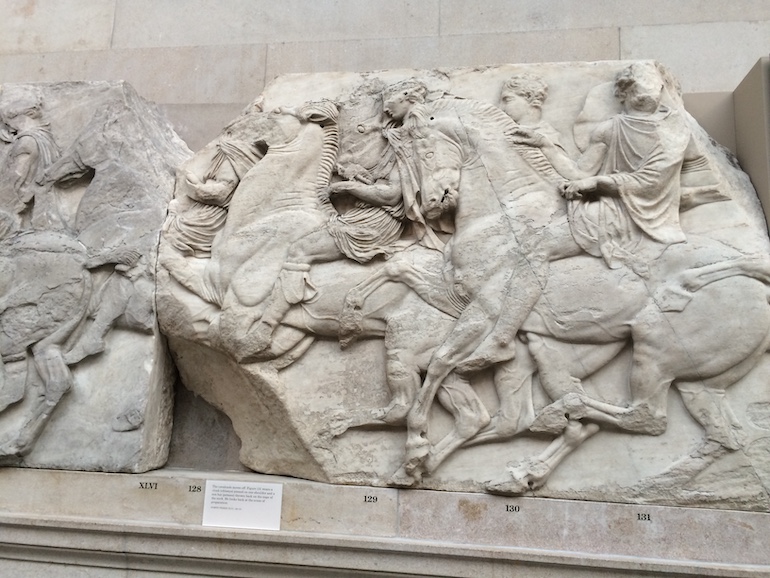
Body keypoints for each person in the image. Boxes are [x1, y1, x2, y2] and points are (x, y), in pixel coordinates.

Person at [468, 61, 692, 365]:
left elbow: (650, 181)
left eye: (650, 86)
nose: (645, 93)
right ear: (623, 93)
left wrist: (597, 183)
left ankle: (501, 339)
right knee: (529, 240)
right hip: (602, 206)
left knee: (538, 249)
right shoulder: (610, 128)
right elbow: (577, 172)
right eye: (637, 86)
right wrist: (546, 145)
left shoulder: (674, 130)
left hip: (635, 213)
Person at [249, 79, 448, 353]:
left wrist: (347, 187)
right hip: (367, 212)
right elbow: (385, 180)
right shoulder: (400, 135)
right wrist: (355, 174)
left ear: (406, 97)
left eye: (389, 101)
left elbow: (391, 195)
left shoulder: (412, 141)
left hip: (376, 222)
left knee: (300, 249)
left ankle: (266, 327)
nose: (385, 109)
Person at [0, 85, 63, 231]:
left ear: (18, 117)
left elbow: (16, 179)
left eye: (7, 122)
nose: (9, 128)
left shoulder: (26, 143)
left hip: (19, 214)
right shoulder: (45, 139)